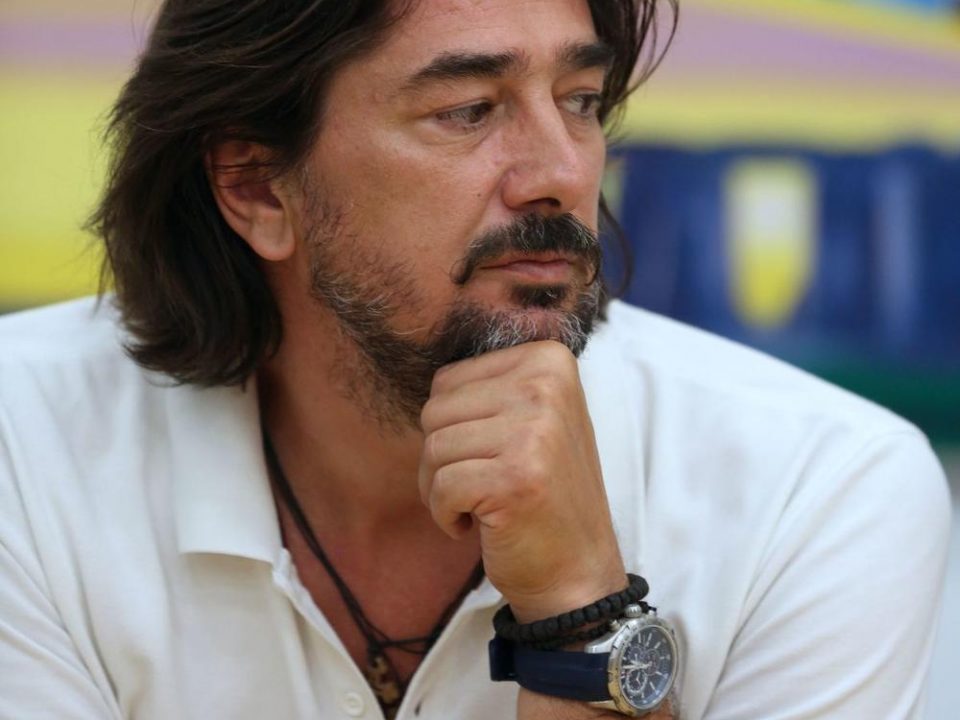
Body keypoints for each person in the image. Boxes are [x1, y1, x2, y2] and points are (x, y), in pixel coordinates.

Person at [0, 0, 951, 718]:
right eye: (467, 109)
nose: (562, 172)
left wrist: (580, 611)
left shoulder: (818, 487)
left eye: (581, 101)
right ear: (256, 187)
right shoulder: (23, 444)